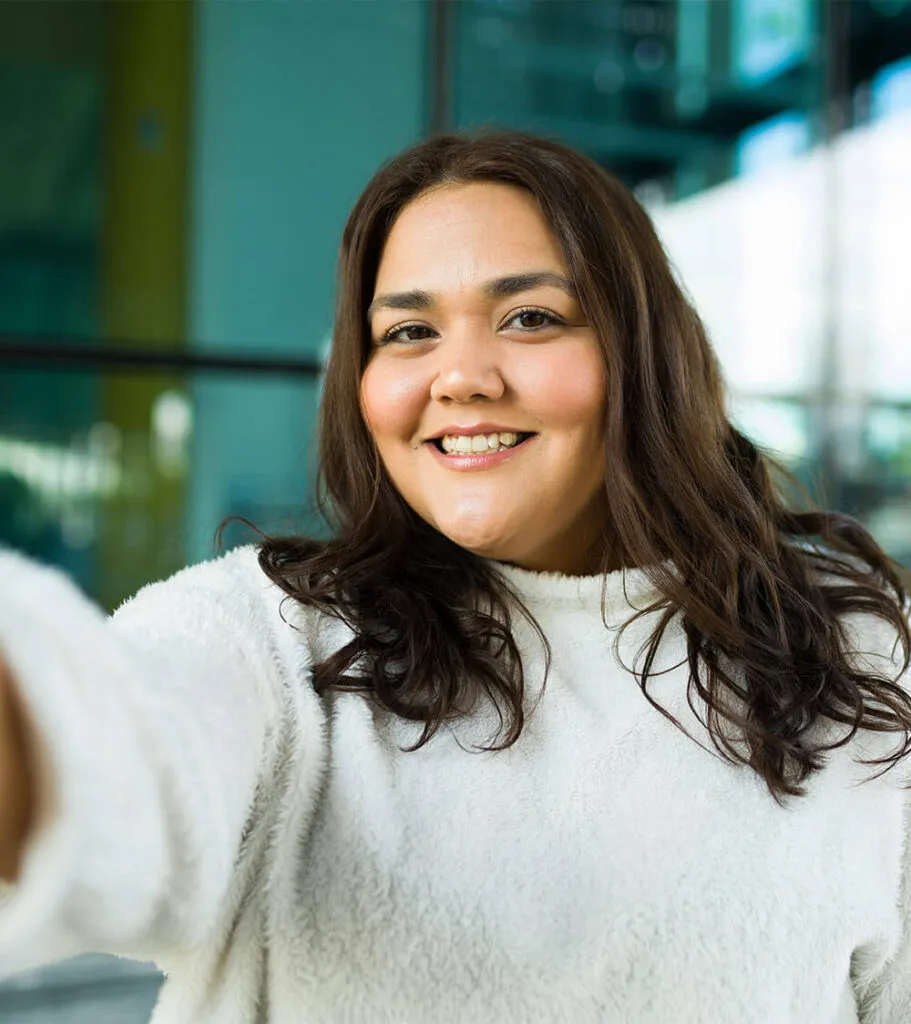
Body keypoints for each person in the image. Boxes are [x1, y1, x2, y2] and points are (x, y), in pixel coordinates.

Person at [0, 131, 910, 1024]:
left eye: (530, 317)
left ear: (646, 353)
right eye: (408, 331)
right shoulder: (271, 638)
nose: (460, 376)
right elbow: (125, 750)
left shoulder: (854, 654)